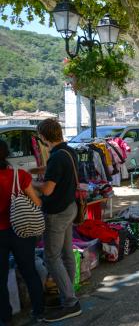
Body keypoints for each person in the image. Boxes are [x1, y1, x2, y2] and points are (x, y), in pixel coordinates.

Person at [31, 118, 82, 322]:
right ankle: (68, 293)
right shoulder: (68, 151)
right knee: (67, 254)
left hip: (57, 212)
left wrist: (29, 182)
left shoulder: (56, 157)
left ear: (43, 137)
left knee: (52, 257)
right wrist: (37, 171)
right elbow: (57, 172)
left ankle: (70, 302)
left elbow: (47, 189)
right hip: (70, 207)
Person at [0, 140, 44, 324]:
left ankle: (5, 317)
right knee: (29, 271)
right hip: (22, 230)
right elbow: (37, 203)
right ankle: (38, 311)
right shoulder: (19, 176)